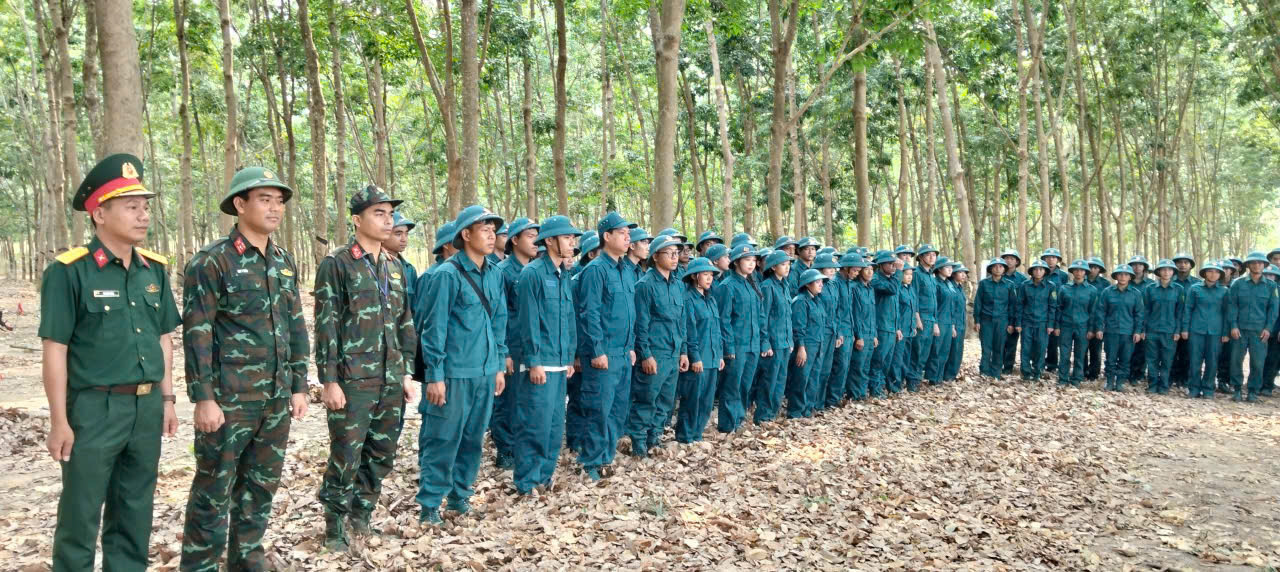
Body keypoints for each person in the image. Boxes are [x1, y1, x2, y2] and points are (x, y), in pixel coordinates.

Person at [40, 154, 180, 571]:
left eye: (146, 206)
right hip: (93, 409)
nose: (143, 215)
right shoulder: (70, 272)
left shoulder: (153, 270)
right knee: (80, 515)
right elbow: (55, 349)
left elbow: (163, 339)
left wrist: (167, 399)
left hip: (145, 407)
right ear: (99, 213)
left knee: (134, 511)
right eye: (131, 206)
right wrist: (59, 420)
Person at [180, 167, 310, 569]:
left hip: (274, 400)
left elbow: (295, 326)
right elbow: (197, 333)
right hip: (229, 400)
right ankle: (199, 565)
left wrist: (299, 385)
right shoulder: (212, 262)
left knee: (260, 488)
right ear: (240, 204)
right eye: (264, 199)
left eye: (279, 201)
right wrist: (203, 398)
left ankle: (246, 561)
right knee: (213, 491)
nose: (274, 208)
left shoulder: (283, 261)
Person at [314, 185, 417, 548]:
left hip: (389, 378)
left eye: (390, 213)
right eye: (379, 213)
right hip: (353, 380)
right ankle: (334, 525)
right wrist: (329, 381)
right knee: (346, 454)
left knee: (381, 453)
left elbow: (404, 323)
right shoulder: (338, 263)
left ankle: (362, 515)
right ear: (357, 220)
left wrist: (404, 373)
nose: (388, 220)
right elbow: (326, 325)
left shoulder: (394, 266)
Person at [416, 205, 507, 523]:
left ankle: (459, 498)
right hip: (453, 375)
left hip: (483, 373)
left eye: (493, 229)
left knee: (472, 440)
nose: (491, 234)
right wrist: (435, 375)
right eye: (484, 228)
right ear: (465, 235)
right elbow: (433, 329)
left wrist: (497, 364)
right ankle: (429, 505)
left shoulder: (495, 272)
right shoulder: (446, 275)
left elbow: (499, 321)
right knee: (442, 439)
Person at [508, 215, 580, 496]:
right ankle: (526, 483)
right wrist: (534, 361)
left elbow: (569, 318)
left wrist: (571, 356)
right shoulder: (533, 274)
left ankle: (544, 478)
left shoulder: (563, 275)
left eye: (573, 238)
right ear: (549, 241)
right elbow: (527, 322)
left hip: (560, 363)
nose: (572, 242)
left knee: (552, 428)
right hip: (540, 364)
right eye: (567, 238)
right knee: (534, 425)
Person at [575, 212, 638, 480]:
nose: (628, 238)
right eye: (622, 233)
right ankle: (591, 461)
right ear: (607, 237)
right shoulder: (595, 271)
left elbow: (629, 312)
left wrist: (632, 346)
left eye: (628, 233)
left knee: (617, 409)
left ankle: (606, 456)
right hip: (604, 355)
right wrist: (597, 350)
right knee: (598, 408)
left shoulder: (627, 270)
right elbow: (589, 314)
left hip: (624, 353)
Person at [627, 236, 688, 457]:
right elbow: (640, 324)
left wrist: (683, 352)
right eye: (669, 253)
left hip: (673, 352)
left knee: (665, 401)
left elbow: (682, 321)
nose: (675, 257)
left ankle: (654, 438)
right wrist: (646, 355)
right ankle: (639, 443)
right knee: (647, 399)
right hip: (655, 352)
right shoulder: (645, 285)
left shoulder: (678, 284)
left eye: (676, 253)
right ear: (655, 256)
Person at [492, 218, 539, 470]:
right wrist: (505, 352)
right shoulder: (502, 271)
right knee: (507, 400)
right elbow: (498, 315)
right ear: (515, 240)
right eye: (530, 236)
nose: (535, 241)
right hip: (511, 346)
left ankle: (522, 445)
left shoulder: (535, 270)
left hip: (530, 347)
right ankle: (505, 449)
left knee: (528, 399)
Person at [715, 245, 768, 431]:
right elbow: (724, 320)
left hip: (752, 345)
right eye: (747, 260)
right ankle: (728, 425)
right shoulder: (727, 286)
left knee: (745, 385)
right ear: (736, 262)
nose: (751, 264)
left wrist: (763, 341)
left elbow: (761, 317)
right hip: (736, 346)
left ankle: (739, 419)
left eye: (754, 261)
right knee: (732, 386)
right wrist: (728, 349)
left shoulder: (753, 284)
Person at [675, 257, 725, 442]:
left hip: (712, 357)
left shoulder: (710, 299)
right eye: (705, 274)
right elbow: (689, 331)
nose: (709, 278)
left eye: (711, 275)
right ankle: (685, 437)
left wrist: (719, 354)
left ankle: (696, 435)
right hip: (698, 358)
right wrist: (694, 357)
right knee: (692, 400)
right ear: (695, 276)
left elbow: (716, 329)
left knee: (706, 401)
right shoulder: (688, 299)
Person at [1226, 251, 1279, 402]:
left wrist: (1268, 328)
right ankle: (1236, 390)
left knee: (1258, 362)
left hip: (1259, 331)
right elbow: (1232, 306)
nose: (1257, 265)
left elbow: (1273, 309)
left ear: (1265, 266)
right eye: (1254, 263)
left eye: (1260, 263)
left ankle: (1252, 391)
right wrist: (1233, 326)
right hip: (1240, 330)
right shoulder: (1238, 284)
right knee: (1236, 360)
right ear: (1248, 265)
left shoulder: (1271, 286)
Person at [752, 250, 794, 423]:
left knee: (780, 381)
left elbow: (788, 316)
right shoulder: (767, 286)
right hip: (773, 343)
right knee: (769, 380)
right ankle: (763, 416)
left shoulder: (785, 285)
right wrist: (765, 342)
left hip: (785, 342)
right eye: (783, 264)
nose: (787, 267)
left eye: (789, 264)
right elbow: (763, 316)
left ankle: (773, 414)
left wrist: (790, 340)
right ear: (774, 267)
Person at [787, 269, 828, 417]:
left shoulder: (817, 300)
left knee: (813, 378)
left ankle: (807, 410)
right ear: (807, 284)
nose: (821, 285)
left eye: (821, 282)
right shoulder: (800, 301)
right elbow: (798, 327)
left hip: (818, 344)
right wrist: (801, 348)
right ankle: (795, 411)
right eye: (817, 282)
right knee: (801, 379)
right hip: (806, 346)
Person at [1098, 264, 1145, 392]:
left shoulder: (1136, 294)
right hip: (1111, 331)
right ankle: (1109, 381)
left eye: (1126, 274)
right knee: (1110, 358)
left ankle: (1120, 382)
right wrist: (1100, 328)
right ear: (1116, 276)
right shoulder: (1107, 292)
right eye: (1120, 274)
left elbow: (1139, 314)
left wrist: (1137, 331)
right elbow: (1101, 311)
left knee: (1125, 359)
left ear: (1130, 277)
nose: (1123, 277)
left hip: (1128, 333)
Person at [1143, 259, 1188, 395]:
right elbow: (1145, 310)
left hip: (1170, 332)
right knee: (1152, 359)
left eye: (1169, 270)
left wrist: (1177, 330)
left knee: (1167, 360)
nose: (1166, 272)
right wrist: (1143, 329)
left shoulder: (1178, 289)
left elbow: (1180, 312)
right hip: (1152, 330)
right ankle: (1152, 384)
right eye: (1163, 269)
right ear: (1158, 272)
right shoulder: (1150, 289)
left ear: (1173, 272)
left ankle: (1163, 385)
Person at [1054, 260, 1100, 387]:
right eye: (1076, 270)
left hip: (1083, 327)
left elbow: (1093, 311)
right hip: (1066, 326)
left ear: (1085, 272)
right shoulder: (1064, 288)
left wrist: (1091, 329)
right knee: (1064, 354)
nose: (1078, 273)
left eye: (1081, 270)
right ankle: (1063, 379)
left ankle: (1076, 379)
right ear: (1072, 272)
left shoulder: (1092, 290)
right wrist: (1057, 326)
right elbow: (1059, 308)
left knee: (1080, 354)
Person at [1185, 261, 1228, 399]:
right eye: (1210, 271)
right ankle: (1194, 388)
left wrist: (1226, 332)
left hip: (1216, 332)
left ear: (1220, 275)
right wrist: (1185, 329)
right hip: (1196, 330)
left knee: (1212, 361)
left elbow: (1228, 313)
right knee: (1194, 361)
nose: (1213, 274)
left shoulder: (1224, 291)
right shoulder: (1195, 289)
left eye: (1216, 272)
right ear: (1204, 273)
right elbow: (1188, 309)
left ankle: (1208, 388)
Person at [825, 254, 860, 404]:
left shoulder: (848, 283)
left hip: (848, 330)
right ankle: (832, 399)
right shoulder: (836, 283)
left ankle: (837, 396)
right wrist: (839, 332)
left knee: (845, 366)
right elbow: (835, 311)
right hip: (840, 331)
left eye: (859, 271)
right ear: (846, 268)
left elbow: (849, 311)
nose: (857, 273)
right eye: (855, 270)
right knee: (840, 366)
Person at [1016, 260, 1057, 382]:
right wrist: (1018, 323)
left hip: (1043, 323)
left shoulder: (1051, 286)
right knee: (1026, 348)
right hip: (1027, 322)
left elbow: (1052, 306)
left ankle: (1037, 372)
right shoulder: (1024, 285)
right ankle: (1025, 373)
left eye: (1041, 269)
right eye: (1035, 269)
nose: (1038, 272)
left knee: (1040, 348)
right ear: (1032, 272)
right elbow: (1019, 305)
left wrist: (1050, 324)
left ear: (1045, 272)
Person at [975, 258, 1016, 379]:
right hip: (986, 320)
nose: (998, 269)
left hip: (1002, 320)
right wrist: (977, 320)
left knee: (999, 346)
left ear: (1004, 269)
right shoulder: (983, 284)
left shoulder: (1009, 285)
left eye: (1001, 266)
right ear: (991, 269)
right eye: (995, 266)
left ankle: (996, 372)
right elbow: (978, 302)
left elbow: (1012, 305)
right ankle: (984, 371)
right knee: (986, 347)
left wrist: (1011, 323)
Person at [868, 251, 902, 397]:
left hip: (890, 327)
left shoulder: (892, 279)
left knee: (887, 362)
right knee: (878, 361)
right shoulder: (876, 280)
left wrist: (897, 327)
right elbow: (893, 290)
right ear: (881, 265)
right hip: (881, 327)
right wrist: (900, 271)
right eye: (890, 264)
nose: (894, 267)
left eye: (895, 264)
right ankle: (875, 389)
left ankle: (881, 387)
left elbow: (895, 307)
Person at [909, 245, 941, 392]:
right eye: (927, 255)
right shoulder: (916, 274)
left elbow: (934, 302)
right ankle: (912, 381)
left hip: (930, 319)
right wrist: (917, 318)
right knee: (918, 351)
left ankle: (917, 379)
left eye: (933, 255)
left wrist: (934, 322)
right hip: (921, 318)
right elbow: (914, 297)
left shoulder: (931, 276)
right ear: (920, 258)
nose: (931, 257)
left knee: (925, 352)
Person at [846, 255, 878, 397]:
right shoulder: (854, 288)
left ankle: (862, 393)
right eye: (866, 269)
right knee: (857, 366)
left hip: (871, 333)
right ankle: (854, 395)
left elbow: (872, 313)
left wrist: (875, 334)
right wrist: (859, 336)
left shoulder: (870, 289)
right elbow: (855, 314)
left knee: (866, 366)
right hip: (861, 333)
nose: (870, 272)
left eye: (872, 269)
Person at [1169, 252, 1200, 387]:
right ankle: (1171, 377)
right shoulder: (1169, 282)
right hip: (1172, 323)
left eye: (1186, 262)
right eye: (1179, 262)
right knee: (1171, 352)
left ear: (1191, 266)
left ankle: (1185, 378)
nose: (1182, 265)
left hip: (1191, 324)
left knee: (1188, 353)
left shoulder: (1197, 284)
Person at [925, 259, 956, 385]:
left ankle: (940, 376)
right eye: (946, 267)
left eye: (951, 267)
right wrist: (935, 323)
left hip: (949, 322)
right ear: (939, 269)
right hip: (939, 321)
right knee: (936, 350)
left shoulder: (949, 284)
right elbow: (934, 305)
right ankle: (933, 378)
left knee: (945, 350)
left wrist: (953, 325)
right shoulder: (935, 283)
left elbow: (952, 305)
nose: (950, 270)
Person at [1126, 254, 1156, 383]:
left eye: (1140, 265)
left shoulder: (1151, 284)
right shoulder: (1125, 281)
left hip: (1145, 320)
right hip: (1127, 320)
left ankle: (1139, 373)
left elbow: (1152, 306)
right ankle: (1127, 372)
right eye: (1134, 265)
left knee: (1142, 349)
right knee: (1128, 348)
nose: (1137, 267)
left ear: (1144, 267)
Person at [999, 250, 1027, 376]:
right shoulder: (998, 275)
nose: (1008, 261)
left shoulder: (1022, 279)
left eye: (1011, 258)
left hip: (1016, 315)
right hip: (1000, 315)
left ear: (1017, 262)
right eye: (1006, 258)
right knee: (999, 342)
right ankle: (997, 365)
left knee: (1011, 343)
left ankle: (1008, 367)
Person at [892, 267, 921, 393]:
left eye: (911, 274)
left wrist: (914, 325)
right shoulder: (897, 288)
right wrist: (898, 328)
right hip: (900, 330)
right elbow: (895, 311)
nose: (909, 277)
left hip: (909, 329)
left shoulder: (911, 289)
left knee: (906, 358)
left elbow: (914, 310)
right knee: (897, 359)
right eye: (906, 274)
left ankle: (903, 382)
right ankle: (894, 386)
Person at [944, 265, 971, 381]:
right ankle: (948, 375)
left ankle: (953, 374)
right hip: (954, 324)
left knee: (958, 350)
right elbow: (952, 308)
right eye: (960, 272)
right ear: (953, 274)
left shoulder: (960, 288)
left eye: (965, 273)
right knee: (953, 350)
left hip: (961, 323)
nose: (963, 275)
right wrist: (953, 325)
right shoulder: (951, 287)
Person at [1085, 257, 1110, 380]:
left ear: (1100, 269)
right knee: (1082, 348)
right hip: (1083, 320)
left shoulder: (1105, 284)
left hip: (1099, 320)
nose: (1092, 270)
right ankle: (1083, 371)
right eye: (1090, 267)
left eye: (1095, 267)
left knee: (1096, 349)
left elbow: (1106, 305)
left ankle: (1094, 373)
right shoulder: (1081, 281)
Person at [385, 211, 419, 302]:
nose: (404, 239)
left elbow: (415, 307)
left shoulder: (409, 270)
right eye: (398, 234)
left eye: (406, 234)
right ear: (384, 234)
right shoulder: (373, 264)